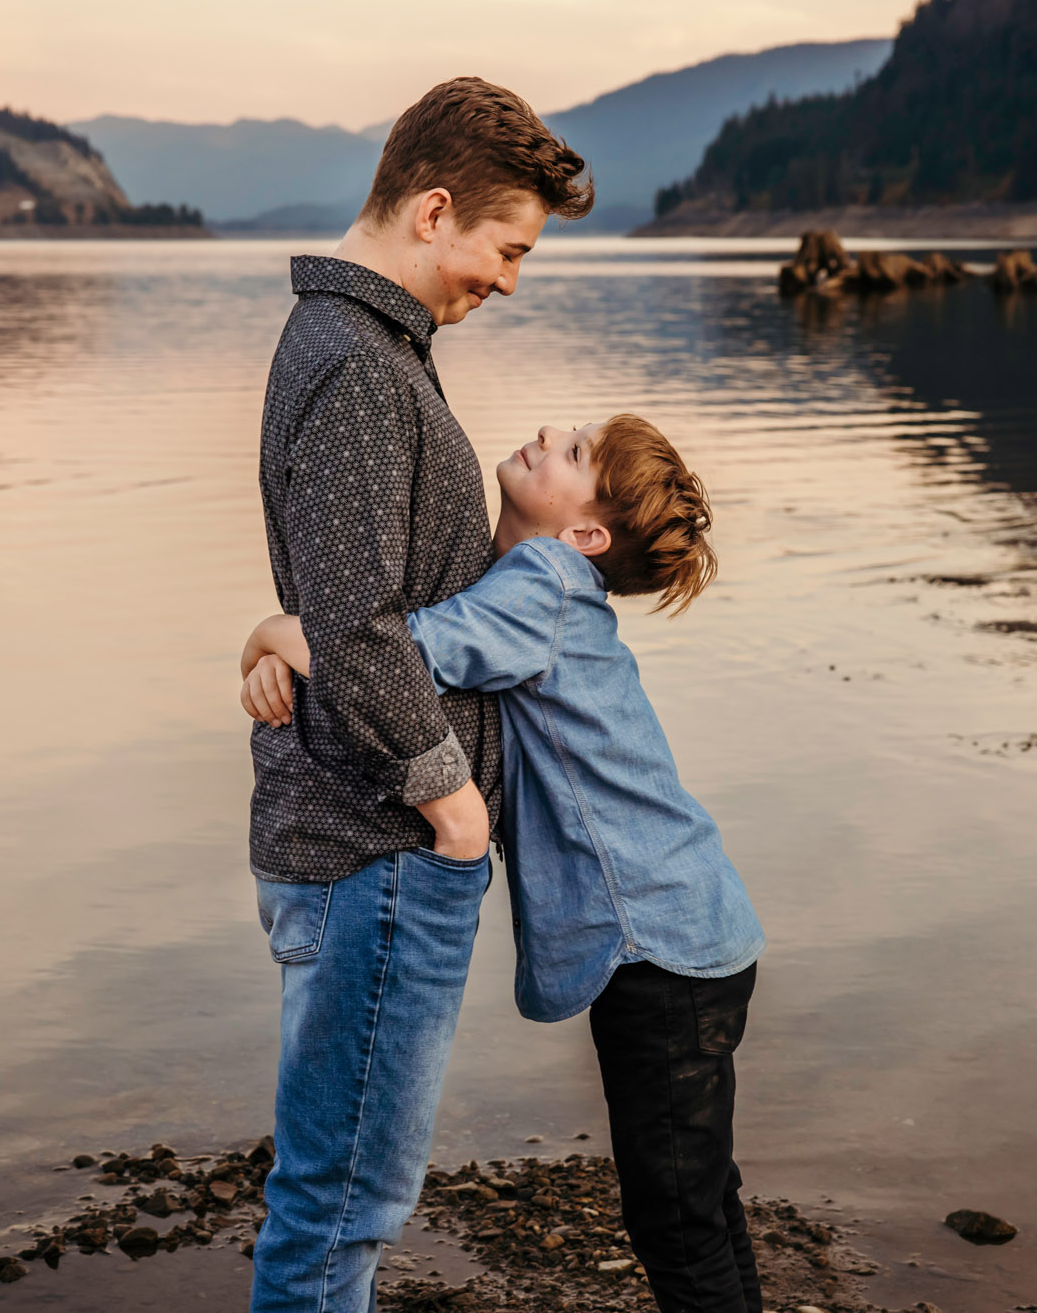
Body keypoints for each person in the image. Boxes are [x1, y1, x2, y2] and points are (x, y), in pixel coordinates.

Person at [242, 413, 768, 1313]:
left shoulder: (546, 582)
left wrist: (267, 632)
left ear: (587, 536)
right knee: (700, 1196)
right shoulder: (536, 584)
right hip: (693, 928)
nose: (550, 430)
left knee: (676, 1217)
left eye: (573, 453)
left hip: (661, 944)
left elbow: (396, 660)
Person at [238, 77, 591, 1313]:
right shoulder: (353, 360)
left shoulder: (380, 351)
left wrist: (278, 633)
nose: (508, 279)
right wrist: (452, 805)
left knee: (343, 1205)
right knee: (338, 1210)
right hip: (376, 847)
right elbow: (361, 620)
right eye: (507, 248)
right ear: (434, 211)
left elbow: (355, 600)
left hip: (371, 848)